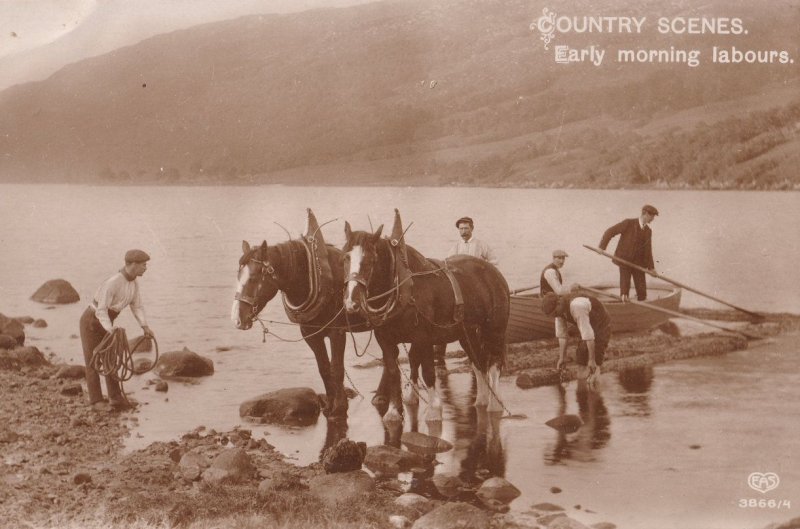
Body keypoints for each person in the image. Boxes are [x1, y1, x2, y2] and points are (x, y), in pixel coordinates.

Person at [80, 249, 154, 410]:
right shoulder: (113, 282)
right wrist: (110, 329)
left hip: (108, 322)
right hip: (91, 321)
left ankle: (115, 397)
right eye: (143, 265)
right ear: (133, 265)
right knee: (93, 360)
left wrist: (145, 326)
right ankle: (96, 401)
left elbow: (137, 306)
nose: (145, 268)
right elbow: (101, 310)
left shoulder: (134, 284)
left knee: (111, 360)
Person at [541, 292, 611, 385]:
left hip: (601, 323)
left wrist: (591, 360)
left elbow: (588, 335)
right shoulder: (558, 312)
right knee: (581, 354)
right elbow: (562, 336)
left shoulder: (577, 306)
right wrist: (562, 358)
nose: (556, 316)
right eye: (554, 315)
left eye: (556, 313)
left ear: (558, 303)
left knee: (596, 357)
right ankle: (582, 391)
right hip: (586, 322)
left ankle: (595, 385)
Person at [598, 204, 659, 301]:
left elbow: (648, 251)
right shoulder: (628, 223)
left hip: (639, 264)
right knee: (624, 290)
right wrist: (602, 247)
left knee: (642, 292)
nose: (653, 219)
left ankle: (641, 308)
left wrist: (651, 268)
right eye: (652, 216)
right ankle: (624, 305)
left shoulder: (648, 231)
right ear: (645, 214)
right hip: (624, 261)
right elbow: (610, 232)